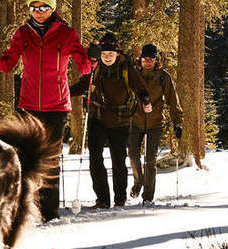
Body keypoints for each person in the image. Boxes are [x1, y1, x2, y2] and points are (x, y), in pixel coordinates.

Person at [0, 0, 90, 221]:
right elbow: (7, 63)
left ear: (52, 8)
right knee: (26, 159)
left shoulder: (66, 34)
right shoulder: (23, 34)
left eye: (43, 7)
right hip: (29, 104)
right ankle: (24, 210)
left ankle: (50, 212)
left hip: (57, 106)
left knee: (51, 161)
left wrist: (92, 58)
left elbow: (85, 66)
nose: (38, 12)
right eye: (34, 7)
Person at [72, 33, 142, 209]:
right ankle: (102, 199)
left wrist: (146, 100)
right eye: (104, 54)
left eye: (111, 54)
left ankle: (119, 198)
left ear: (117, 54)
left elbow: (139, 86)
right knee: (95, 159)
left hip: (120, 120)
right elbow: (82, 86)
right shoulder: (95, 67)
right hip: (98, 118)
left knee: (118, 161)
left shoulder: (126, 67)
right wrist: (63, 91)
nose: (108, 57)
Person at [128, 42, 182, 204]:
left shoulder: (163, 77)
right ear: (141, 58)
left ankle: (148, 197)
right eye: (145, 58)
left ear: (156, 60)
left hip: (155, 123)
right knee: (132, 155)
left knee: (150, 160)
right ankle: (139, 182)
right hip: (135, 120)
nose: (148, 61)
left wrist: (177, 123)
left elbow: (174, 102)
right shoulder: (133, 74)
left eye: (151, 59)